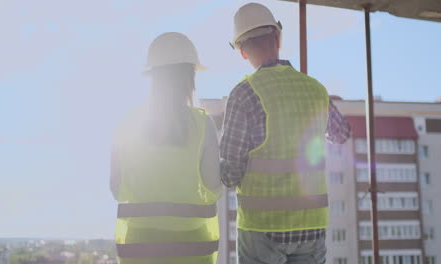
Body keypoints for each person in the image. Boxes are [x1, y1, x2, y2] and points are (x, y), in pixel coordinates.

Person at [221, 3, 351, 264]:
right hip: (311, 227)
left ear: (243, 52)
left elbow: (230, 173)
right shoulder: (315, 89)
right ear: (278, 38)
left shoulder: (244, 93)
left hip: (262, 229)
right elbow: (341, 134)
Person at [110, 32, 222, 264]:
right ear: (190, 77)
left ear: (152, 76)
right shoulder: (203, 124)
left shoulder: (127, 122)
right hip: (193, 248)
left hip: (139, 248)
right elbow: (213, 187)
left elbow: (116, 189)